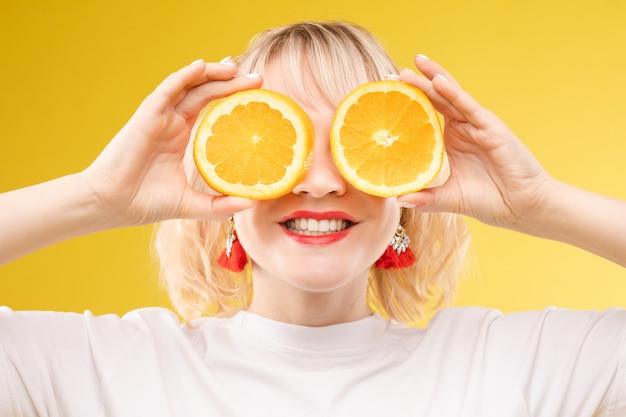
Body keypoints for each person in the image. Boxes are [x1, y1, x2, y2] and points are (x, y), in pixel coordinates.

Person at [0, 21, 625, 417]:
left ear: (405, 184)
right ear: (226, 178)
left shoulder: (513, 366)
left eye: (356, 146)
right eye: (281, 144)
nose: (322, 181)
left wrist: (540, 202)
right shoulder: (106, 370)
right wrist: (96, 194)